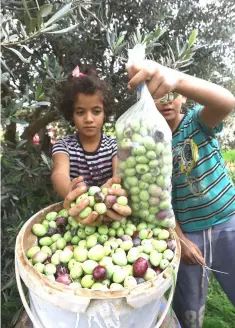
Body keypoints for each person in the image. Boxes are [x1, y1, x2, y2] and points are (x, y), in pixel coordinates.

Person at [127, 60, 235, 328]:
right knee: (189, 307)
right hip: (188, 234)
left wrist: (176, 79)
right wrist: (179, 237)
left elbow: (226, 102)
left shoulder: (197, 122)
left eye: (172, 95)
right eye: (157, 96)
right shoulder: (150, 145)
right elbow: (158, 200)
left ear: (182, 97)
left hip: (228, 223)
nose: (165, 101)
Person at [51, 66, 131, 226]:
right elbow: (59, 174)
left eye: (96, 111)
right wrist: (72, 191)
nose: (88, 119)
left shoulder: (113, 145)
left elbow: (118, 174)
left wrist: (115, 188)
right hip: (77, 213)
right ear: (71, 115)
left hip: (109, 213)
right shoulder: (64, 146)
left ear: (105, 113)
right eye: (80, 112)